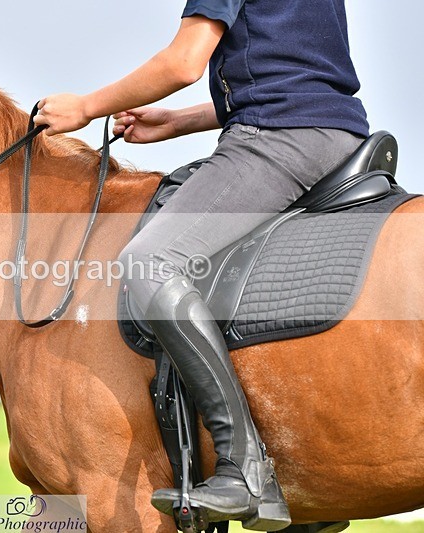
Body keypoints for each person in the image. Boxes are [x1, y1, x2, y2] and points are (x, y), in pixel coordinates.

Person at [33, 1, 368, 531]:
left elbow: (184, 63)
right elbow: (297, 75)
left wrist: (87, 106)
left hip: (278, 140)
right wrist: (182, 120)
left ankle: (243, 465)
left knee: (148, 262)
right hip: (335, 137)